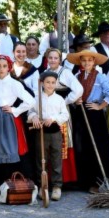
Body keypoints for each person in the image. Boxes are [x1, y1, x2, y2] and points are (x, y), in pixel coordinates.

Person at [65, 50, 109, 193]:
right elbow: (71, 92)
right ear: (80, 62)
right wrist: (76, 100)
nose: (87, 63)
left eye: (90, 60)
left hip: (94, 115)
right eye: (84, 60)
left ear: (94, 62)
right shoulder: (76, 76)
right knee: (81, 146)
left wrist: (100, 106)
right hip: (80, 114)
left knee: (96, 147)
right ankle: (83, 181)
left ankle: (96, 181)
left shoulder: (100, 77)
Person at [0, 55, 35, 187]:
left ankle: (12, 183)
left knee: (10, 147)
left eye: (4, 66)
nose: (1, 69)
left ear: (9, 67)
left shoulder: (15, 84)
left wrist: (15, 110)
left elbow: (31, 101)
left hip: (8, 118)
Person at [27, 72, 69, 201]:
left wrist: (54, 118)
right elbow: (30, 111)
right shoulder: (36, 98)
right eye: (47, 82)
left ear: (56, 83)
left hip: (55, 133)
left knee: (56, 158)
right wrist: (33, 116)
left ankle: (57, 186)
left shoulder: (59, 99)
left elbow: (65, 115)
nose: (50, 85)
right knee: (41, 159)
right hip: (41, 133)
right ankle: (42, 185)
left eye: (52, 82)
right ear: (42, 83)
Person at [45, 48, 83, 184]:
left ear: (60, 60)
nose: (53, 60)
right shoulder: (45, 73)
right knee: (49, 143)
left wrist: (65, 101)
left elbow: (79, 89)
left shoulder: (65, 72)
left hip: (61, 112)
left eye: (55, 58)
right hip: (48, 111)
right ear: (47, 59)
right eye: (50, 58)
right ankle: (50, 179)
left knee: (63, 142)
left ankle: (65, 178)